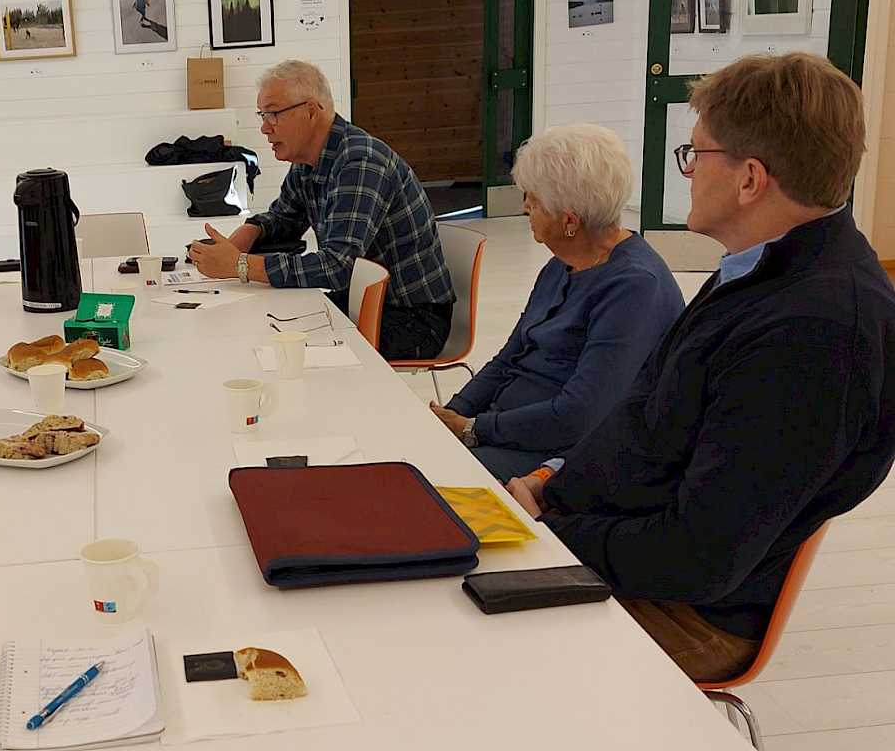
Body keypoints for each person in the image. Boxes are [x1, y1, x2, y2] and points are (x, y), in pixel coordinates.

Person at [505, 53, 895, 682]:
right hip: (613, 535)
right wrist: (554, 479)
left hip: (689, 612)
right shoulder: (760, 266)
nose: (685, 170)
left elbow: (700, 557)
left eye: (695, 153)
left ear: (749, 179)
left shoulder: (816, 332)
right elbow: (647, 411)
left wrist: (554, 531)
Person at [429, 124, 683, 482]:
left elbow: (579, 415)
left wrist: (474, 428)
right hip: (509, 432)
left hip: (560, 457)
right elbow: (508, 358)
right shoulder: (561, 265)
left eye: (533, 199)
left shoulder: (635, 286)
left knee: (424, 480)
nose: (525, 207)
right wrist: (452, 414)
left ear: (569, 221)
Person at [188, 59, 455, 360]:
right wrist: (250, 232)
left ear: (311, 111)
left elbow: (339, 267)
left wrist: (241, 265)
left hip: (410, 319)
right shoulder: (309, 160)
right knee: (263, 328)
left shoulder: (360, 162)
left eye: (273, 114)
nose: (264, 127)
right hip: (360, 300)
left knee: (275, 347)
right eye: (262, 115)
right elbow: (283, 217)